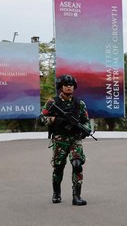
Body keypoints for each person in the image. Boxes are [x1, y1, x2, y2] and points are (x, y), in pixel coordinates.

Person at [38, 74, 90, 205]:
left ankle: (76, 196)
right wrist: (55, 119)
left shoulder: (80, 103)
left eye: (71, 85)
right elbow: (40, 119)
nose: (68, 87)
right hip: (60, 140)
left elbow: (86, 121)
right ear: (60, 87)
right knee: (58, 167)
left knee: (77, 164)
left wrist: (86, 129)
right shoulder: (52, 103)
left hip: (75, 139)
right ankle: (56, 193)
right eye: (66, 85)